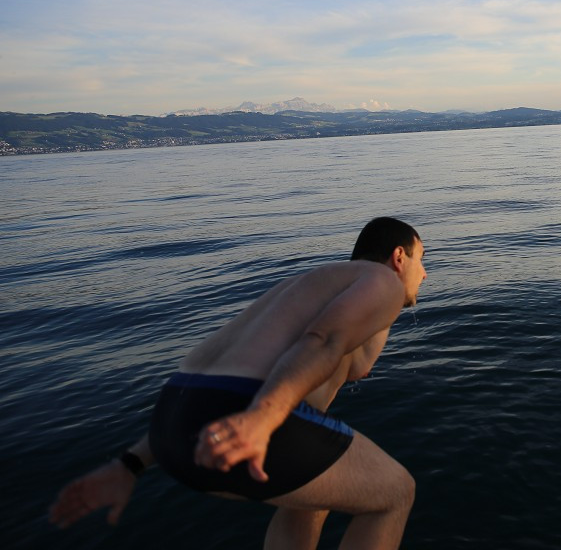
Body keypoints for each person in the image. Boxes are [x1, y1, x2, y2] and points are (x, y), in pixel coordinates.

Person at [49, 216, 427, 550]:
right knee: (396, 493)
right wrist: (263, 417)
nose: (424, 274)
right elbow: (324, 340)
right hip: (242, 410)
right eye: (421, 260)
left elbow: (353, 363)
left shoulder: (307, 286)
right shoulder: (381, 281)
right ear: (399, 257)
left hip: (171, 424)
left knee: (320, 494)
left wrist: (131, 463)